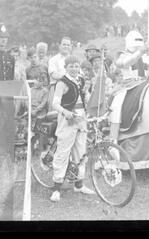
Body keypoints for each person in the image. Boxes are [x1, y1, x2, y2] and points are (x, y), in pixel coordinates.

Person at [50, 55, 96, 202]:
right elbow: (55, 104)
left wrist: (91, 103)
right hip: (67, 119)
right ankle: (56, 188)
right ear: (66, 67)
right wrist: (65, 112)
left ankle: (79, 184)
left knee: (80, 151)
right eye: (71, 66)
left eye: (77, 66)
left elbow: (84, 98)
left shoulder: (81, 80)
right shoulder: (62, 82)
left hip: (81, 118)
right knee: (63, 152)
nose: (75, 69)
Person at [48, 37, 72, 111]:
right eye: (64, 44)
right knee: (55, 114)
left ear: (71, 47)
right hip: (56, 88)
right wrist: (66, 78)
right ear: (60, 46)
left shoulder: (73, 59)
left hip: (71, 89)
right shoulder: (53, 60)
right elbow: (53, 74)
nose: (66, 46)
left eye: (68, 45)